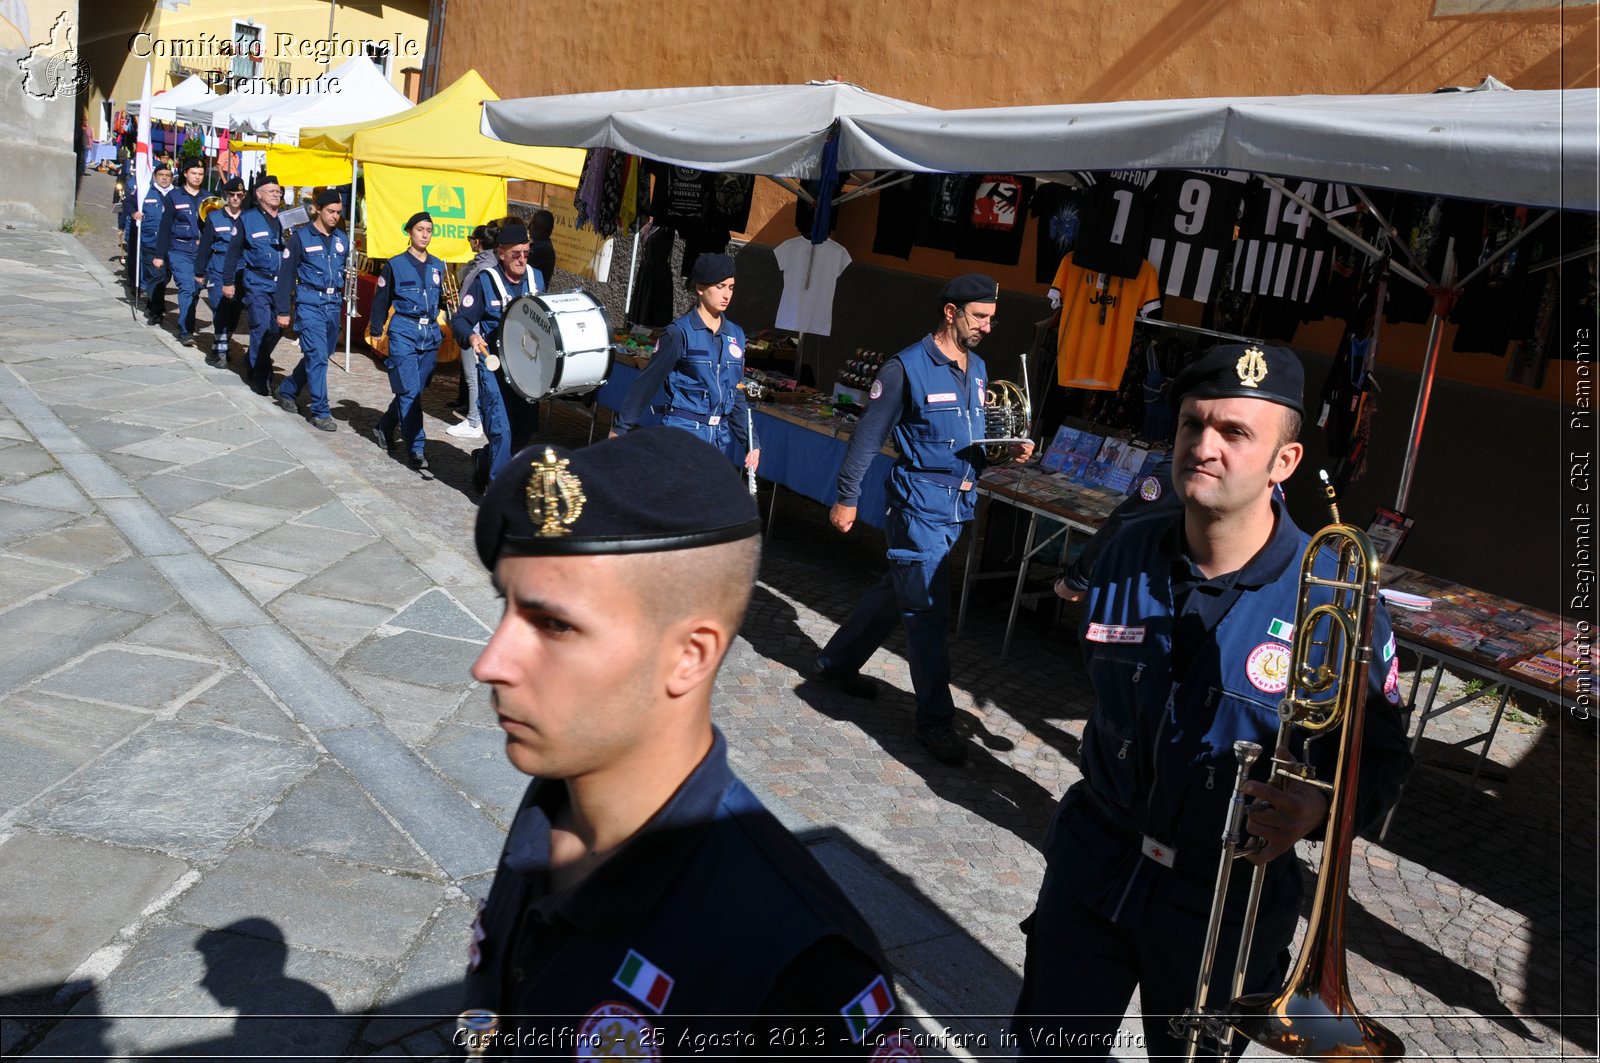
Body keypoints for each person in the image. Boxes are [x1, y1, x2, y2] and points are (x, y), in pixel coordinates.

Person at [1010, 343, 1413, 1060]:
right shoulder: (1122, 546)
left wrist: (1319, 810)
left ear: (1283, 462)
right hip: (1094, 865)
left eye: (1235, 432)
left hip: (1223, 903)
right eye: (1194, 424)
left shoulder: (1338, 599)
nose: (1204, 446)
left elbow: (1382, 757)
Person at [463, 428, 919, 1060]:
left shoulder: (798, 964)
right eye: (506, 607)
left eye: (554, 624)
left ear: (689, 657)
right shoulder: (556, 805)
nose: (490, 661)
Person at [810, 273, 1033, 766]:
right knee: (927, 612)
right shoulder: (904, 368)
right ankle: (935, 720)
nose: (988, 328)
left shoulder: (976, 369)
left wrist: (1004, 453)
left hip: (956, 508)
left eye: (992, 319)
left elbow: (967, 445)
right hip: (917, 509)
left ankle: (836, 661)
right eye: (980, 317)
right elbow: (867, 437)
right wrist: (847, 496)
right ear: (951, 313)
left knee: (899, 589)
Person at [612, 252, 760, 473]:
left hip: (718, 441)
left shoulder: (736, 335)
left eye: (731, 287)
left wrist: (751, 441)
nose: (726, 294)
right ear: (700, 288)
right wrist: (619, 429)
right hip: (682, 435)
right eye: (720, 286)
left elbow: (735, 392)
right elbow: (647, 383)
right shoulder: (679, 333)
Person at [449, 222, 544, 493]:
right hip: (494, 366)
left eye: (527, 253)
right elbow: (461, 320)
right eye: (516, 254)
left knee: (524, 430)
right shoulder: (485, 281)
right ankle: (498, 493)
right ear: (501, 253)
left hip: (527, 369)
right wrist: (472, 337)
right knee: (501, 429)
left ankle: (485, 459)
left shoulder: (536, 278)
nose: (523, 259)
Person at [368, 210, 446, 474]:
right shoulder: (395, 265)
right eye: (420, 230)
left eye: (429, 230)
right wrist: (377, 330)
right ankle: (417, 447)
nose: (425, 235)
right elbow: (381, 300)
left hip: (430, 335)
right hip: (403, 331)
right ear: (409, 232)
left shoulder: (438, 265)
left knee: (413, 391)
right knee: (409, 391)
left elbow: (443, 300)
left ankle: (385, 426)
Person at [273, 188, 348, 432]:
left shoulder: (341, 240)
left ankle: (288, 389)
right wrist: (283, 310)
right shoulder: (301, 238)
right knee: (317, 358)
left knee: (320, 355)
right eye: (330, 211)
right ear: (318, 209)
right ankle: (320, 410)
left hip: (333, 305)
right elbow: (285, 276)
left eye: (338, 212)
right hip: (309, 303)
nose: (335, 216)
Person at [221, 175, 286, 396]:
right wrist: (228, 281)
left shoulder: (286, 220)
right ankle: (260, 375)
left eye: (279, 191)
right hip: (257, 282)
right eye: (272, 191)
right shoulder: (247, 219)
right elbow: (233, 252)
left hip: (282, 286)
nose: (277, 194)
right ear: (259, 194)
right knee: (260, 326)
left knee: (278, 328)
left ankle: (255, 357)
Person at [447, 222, 497, 440]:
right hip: (481, 327)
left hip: (473, 328)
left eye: (471, 240)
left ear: (477, 243)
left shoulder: (480, 268)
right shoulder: (493, 264)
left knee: (472, 376)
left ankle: (474, 420)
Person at [151, 157, 208, 346]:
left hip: (201, 252)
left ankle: (187, 322)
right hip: (180, 249)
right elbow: (166, 227)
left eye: (200, 174)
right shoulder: (174, 197)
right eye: (194, 173)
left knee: (197, 289)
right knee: (187, 286)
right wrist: (159, 255)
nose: (197, 177)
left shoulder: (209, 199)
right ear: (185, 174)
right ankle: (186, 331)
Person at [194, 176, 248, 367]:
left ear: (244, 196)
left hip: (240, 270)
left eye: (239, 195)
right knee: (219, 308)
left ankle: (222, 341)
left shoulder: (247, 218)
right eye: (231, 194)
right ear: (226, 195)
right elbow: (205, 247)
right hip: (218, 267)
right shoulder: (215, 217)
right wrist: (199, 272)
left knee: (234, 313)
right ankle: (222, 349)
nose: (235, 198)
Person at [135, 160, 173, 327]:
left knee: (165, 277)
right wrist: (133, 212)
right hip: (151, 242)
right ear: (155, 177)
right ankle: (157, 311)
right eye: (161, 175)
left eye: (167, 176)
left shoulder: (176, 195)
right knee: (155, 277)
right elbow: (129, 202)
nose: (164, 179)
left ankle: (153, 303)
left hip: (171, 245)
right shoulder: (145, 192)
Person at [528, 207, 556, 284]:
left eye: (532, 224)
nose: (529, 227)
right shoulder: (539, 245)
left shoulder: (543, 250)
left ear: (541, 229)